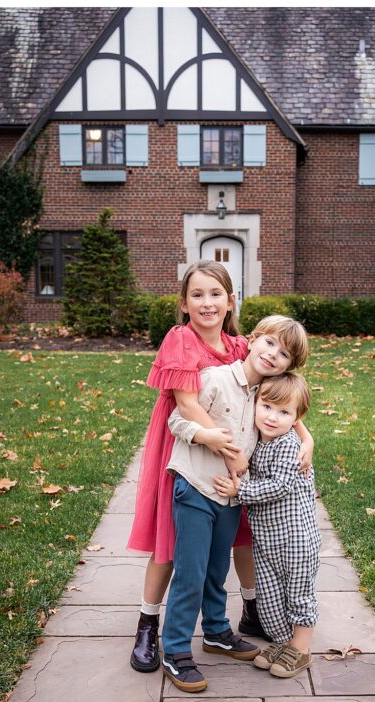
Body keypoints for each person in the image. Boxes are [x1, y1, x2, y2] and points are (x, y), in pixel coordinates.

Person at [126, 260, 313, 674]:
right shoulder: (181, 339)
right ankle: (148, 624)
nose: (207, 303)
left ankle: (233, 618)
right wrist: (230, 452)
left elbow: (278, 388)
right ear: (184, 303)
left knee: (232, 539)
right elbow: (187, 406)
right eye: (197, 295)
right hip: (186, 445)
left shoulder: (243, 346)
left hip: (231, 466)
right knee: (170, 539)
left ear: (231, 302)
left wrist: (305, 434)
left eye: (216, 295)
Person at [161, 315, 311, 692]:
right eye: (270, 344)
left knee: (216, 571)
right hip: (196, 486)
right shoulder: (216, 378)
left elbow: (294, 417)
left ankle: (216, 632)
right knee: (191, 573)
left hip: (231, 497)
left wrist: (308, 441)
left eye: (284, 354)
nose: (273, 355)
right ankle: (175, 649)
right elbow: (177, 420)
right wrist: (211, 438)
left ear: (289, 366)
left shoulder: (269, 397)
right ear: (254, 339)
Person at [213, 373, 320, 679]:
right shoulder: (259, 440)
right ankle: (284, 642)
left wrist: (240, 491)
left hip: (296, 539)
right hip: (267, 540)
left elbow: (280, 486)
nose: (273, 417)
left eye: (284, 412)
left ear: (297, 418)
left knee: (298, 595)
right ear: (256, 403)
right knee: (270, 598)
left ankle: (301, 649)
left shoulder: (289, 444)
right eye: (268, 407)